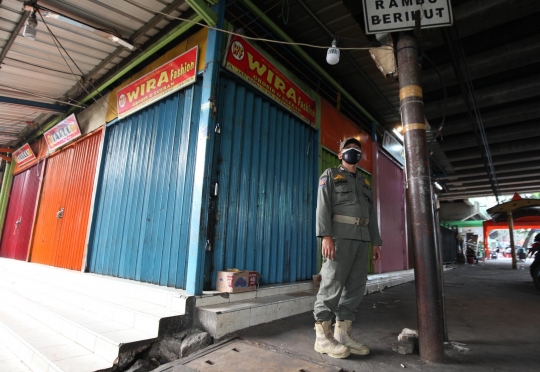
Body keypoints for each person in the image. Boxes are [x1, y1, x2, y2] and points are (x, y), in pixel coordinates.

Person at [313, 137, 382, 359]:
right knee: (332, 283)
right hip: (339, 238)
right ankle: (322, 338)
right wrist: (326, 236)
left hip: (362, 239)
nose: (353, 151)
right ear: (340, 153)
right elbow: (322, 206)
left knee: (355, 288)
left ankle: (342, 335)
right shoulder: (331, 175)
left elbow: (371, 214)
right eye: (348, 148)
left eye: (357, 149)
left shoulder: (364, 183)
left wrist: (375, 242)